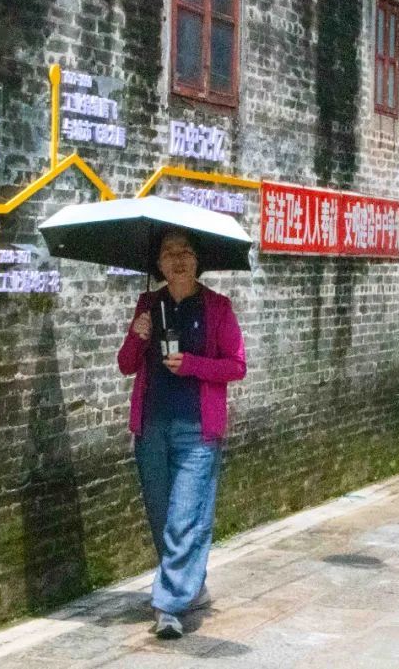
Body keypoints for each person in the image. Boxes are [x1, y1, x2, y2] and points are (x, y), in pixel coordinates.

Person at [117, 228, 247, 638]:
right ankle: (192, 586)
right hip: (152, 426)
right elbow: (125, 365)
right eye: (169, 252)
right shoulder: (148, 304)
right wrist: (137, 336)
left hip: (197, 429)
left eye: (185, 251)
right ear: (158, 263)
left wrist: (192, 364)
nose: (177, 259)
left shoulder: (217, 308)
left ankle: (168, 605)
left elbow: (236, 366)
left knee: (185, 517)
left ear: (197, 260)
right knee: (162, 516)